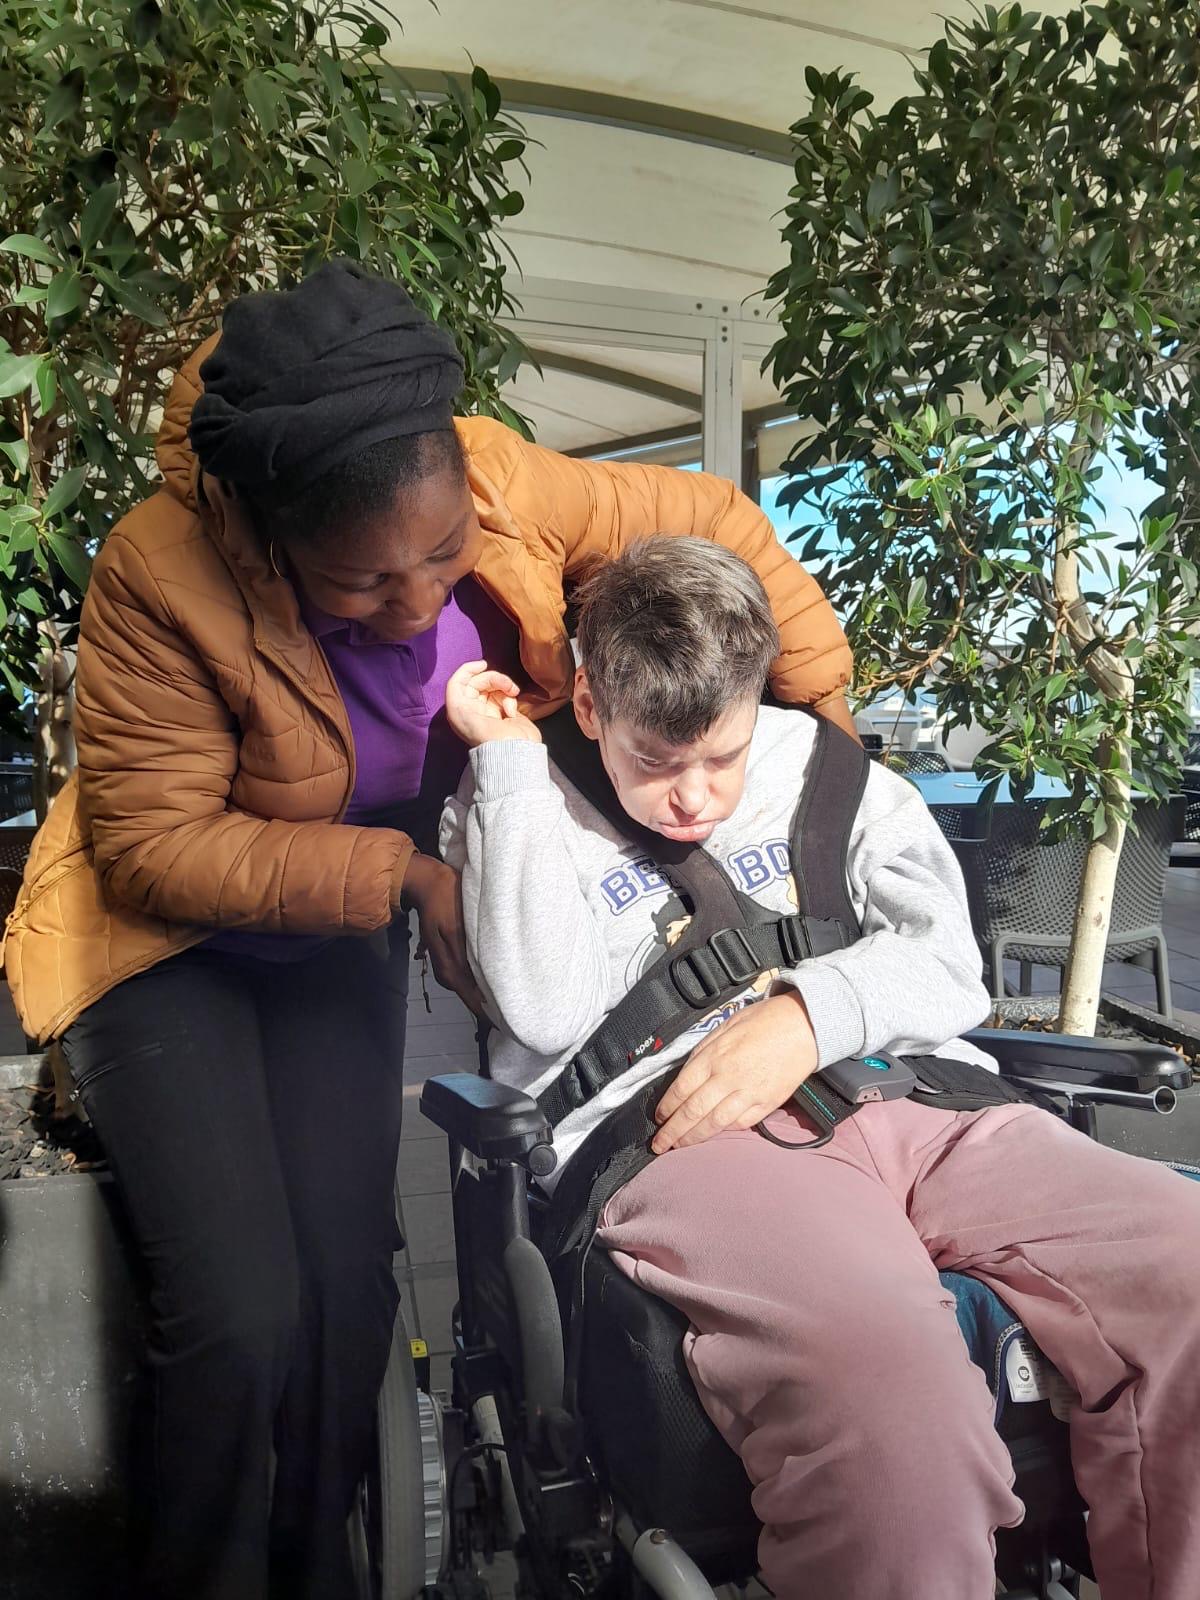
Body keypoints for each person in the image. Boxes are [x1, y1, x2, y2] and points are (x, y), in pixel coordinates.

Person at [1, 261, 851, 1600]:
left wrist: (832, 746)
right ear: (267, 533)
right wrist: (404, 875)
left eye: (444, 557)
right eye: (362, 583)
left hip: (332, 931)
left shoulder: (502, 475)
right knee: (239, 1309)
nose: (415, 604)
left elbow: (722, 523)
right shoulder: (157, 572)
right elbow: (156, 845)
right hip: (157, 946)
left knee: (349, 1292)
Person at [440, 536, 1200, 1600]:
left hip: (915, 1093)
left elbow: (949, 962)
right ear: (592, 699)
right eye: (656, 762)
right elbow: (541, 1006)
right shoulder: (522, 796)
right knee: (893, 1410)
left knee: (1184, 1266)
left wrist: (808, 1015)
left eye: (723, 757)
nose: (693, 798)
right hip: (688, 1136)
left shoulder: (832, 773)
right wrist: (509, 767)